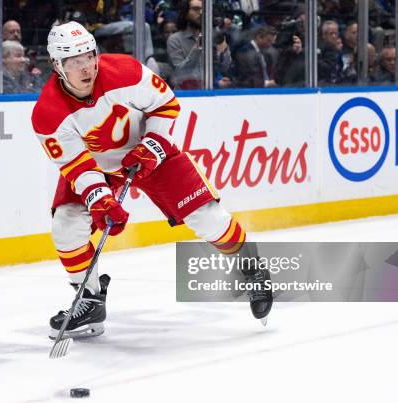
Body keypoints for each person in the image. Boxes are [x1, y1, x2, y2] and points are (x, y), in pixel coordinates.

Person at [31, 21, 273, 340]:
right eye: (74, 62)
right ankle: (89, 300)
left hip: (150, 149)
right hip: (99, 165)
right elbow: (78, 166)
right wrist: (101, 200)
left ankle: (252, 268)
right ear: (57, 66)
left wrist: (153, 144)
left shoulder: (125, 72)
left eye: (89, 56)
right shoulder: (48, 113)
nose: (86, 67)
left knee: (207, 218)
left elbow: (166, 105)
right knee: (66, 222)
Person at [166, 0, 203, 89]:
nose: (201, 12)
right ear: (185, 13)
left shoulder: (211, 37)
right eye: (196, 9)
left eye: (203, 9)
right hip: (186, 95)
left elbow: (223, 67)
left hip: (213, 92)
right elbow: (180, 71)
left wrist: (223, 47)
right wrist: (197, 48)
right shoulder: (174, 39)